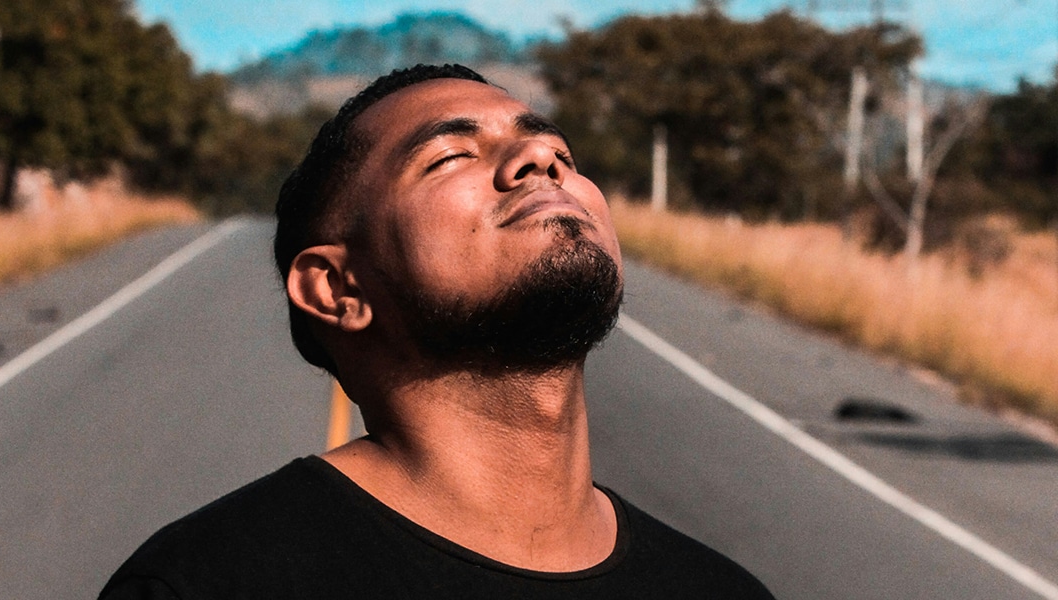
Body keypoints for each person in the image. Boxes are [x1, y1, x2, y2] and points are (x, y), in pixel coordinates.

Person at [99, 64, 774, 599]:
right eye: (451, 155)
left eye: (559, 150)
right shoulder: (208, 583)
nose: (543, 157)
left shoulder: (722, 590)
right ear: (339, 288)